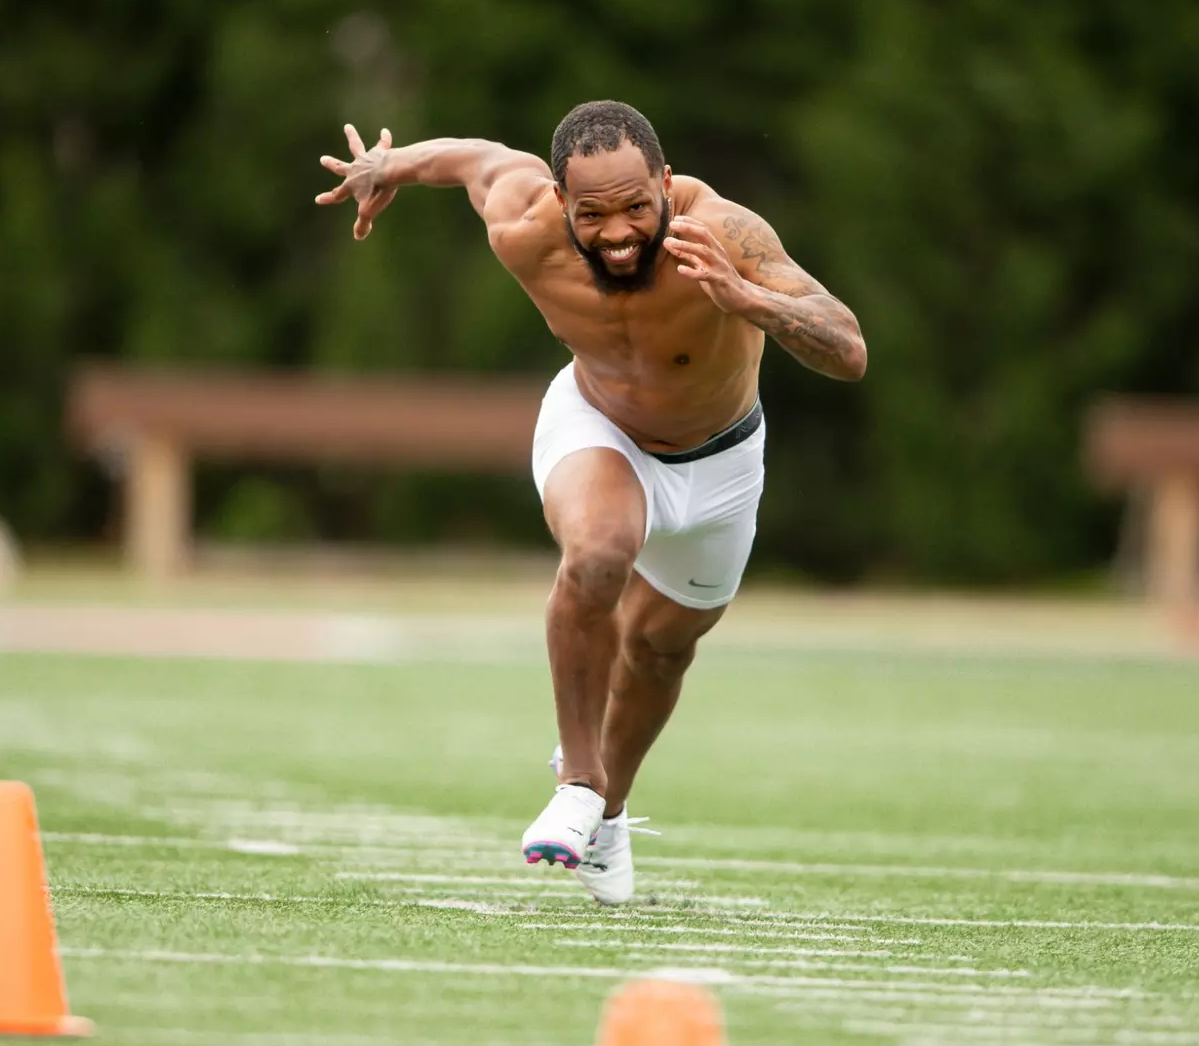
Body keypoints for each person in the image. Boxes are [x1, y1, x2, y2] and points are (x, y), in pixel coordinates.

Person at [315, 100, 866, 905]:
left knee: (659, 652)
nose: (617, 232)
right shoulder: (524, 224)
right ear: (559, 202)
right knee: (600, 551)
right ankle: (578, 780)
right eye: (592, 214)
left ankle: (609, 812)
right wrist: (388, 167)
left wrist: (752, 303)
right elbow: (473, 158)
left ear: (668, 185)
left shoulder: (725, 233)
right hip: (599, 425)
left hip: (722, 465)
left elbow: (848, 347)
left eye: (638, 207)